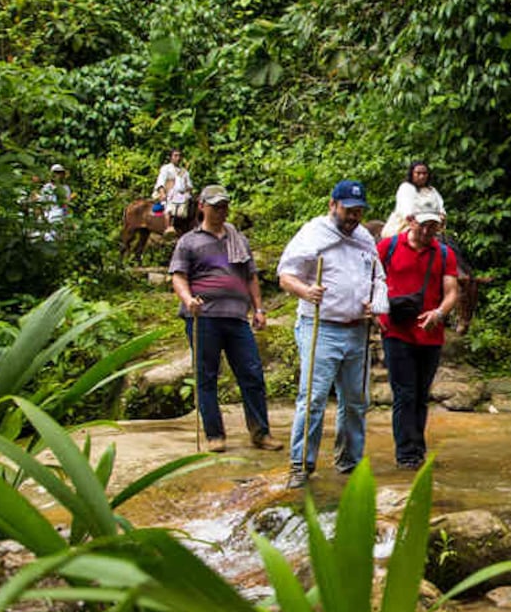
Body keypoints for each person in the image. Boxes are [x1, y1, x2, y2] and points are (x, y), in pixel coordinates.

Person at [278, 180, 389, 488]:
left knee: (356, 400)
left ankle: (349, 461)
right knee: (313, 399)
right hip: (321, 327)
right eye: (348, 210)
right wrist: (305, 290)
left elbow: (378, 278)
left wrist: (377, 302)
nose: (353, 216)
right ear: (332, 205)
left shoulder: (364, 238)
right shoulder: (313, 234)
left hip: (357, 329)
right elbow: (285, 275)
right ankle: (301, 464)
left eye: (358, 211)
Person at [169, 185, 284, 454]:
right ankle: (214, 435)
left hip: (236, 317)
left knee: (252, 373)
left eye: (224, 206)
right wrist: (188, 299)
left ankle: (260, 433)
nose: (221, 211)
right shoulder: (188, 242)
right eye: (216, 206)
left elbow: (251, 277)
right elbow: (178, 276)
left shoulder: (238, 239)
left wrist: (259, 309)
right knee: (206, 375)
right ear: (202, 206)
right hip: (203, 316)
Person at [377, 191, 459, 470]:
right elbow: (371, 280)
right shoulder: (388, 247)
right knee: (405, 394)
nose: (427, 231)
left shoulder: (444, 254)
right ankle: (406, 454)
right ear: (411, 220)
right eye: (423, 224)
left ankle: (417, 449)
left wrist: (439, 313)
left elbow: (451, 291)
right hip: (397, 331)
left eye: (432, 226)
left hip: (430, 335)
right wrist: (376, 313)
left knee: (421, 394)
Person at [382, 161, 446, 239]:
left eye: (424, 173)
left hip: (432, 223)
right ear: (412, 174)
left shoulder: (432, 190)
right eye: (418, 173)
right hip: (409, 224)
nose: (422, 176)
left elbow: (440, 206)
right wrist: (414, 220)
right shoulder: (406, 188)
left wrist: (442, 215)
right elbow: (407, 209)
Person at [154, 148, 193, 234]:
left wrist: (187, 192)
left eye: (179, 156)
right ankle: (168, 228)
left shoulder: (185, 172)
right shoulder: (166, 169)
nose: (178, 158)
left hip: (181, 195)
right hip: (168, 194)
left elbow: (189, 185)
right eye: (175, 156)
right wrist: (162, 193)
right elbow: (160, 182)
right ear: (171, 157)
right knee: (169, 207)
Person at [34, 164, 74, 241]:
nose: (58, 175)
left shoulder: (66, 188)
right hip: (47, 216)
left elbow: (66, 205)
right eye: (56, 172)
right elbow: (41, 204)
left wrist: (67, 220)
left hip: (59, 217)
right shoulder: (47, 187)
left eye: (60, 173)